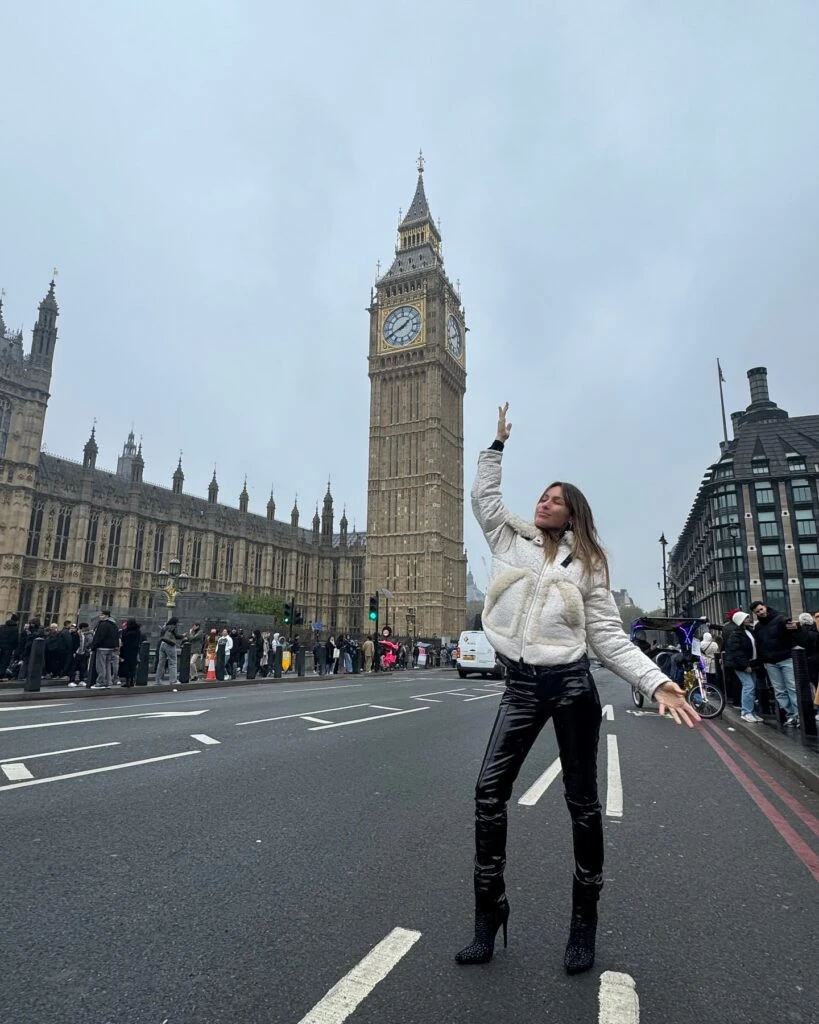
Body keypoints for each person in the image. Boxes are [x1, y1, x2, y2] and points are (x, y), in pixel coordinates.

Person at [456, 403, 698, 976]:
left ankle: (583, 923)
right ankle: (489, 912)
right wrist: (496, 447)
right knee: (488, 793)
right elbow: (484, 499)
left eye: (555, 499)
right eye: (542, 496)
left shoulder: (589, 565)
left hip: (570, 688)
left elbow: (608, 638)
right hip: (520, 687)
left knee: (582, 805)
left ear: (572, 515)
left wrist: (658, 681)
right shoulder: (509, 540)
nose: (543, 502)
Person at [751, 601, 799, 726]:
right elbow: (759, 645)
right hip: (770, 662)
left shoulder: (781, 619)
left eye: (761, 609)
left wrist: (797, 627)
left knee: (792, 687)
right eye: (757, 612)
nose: (760, 612)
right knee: (779, 691)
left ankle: (798, 715)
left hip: (785, 658)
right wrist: (762, 661)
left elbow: (794, 632)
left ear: (765, 607)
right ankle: (791, 715)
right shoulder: (758, 627)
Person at [722, 612, 763, 723]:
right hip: (742, 665)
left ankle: (752, 712)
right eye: (746, 618)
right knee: (749, 686)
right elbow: (736, 652)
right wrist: (745, 665)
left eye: (748, 617)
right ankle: (746, 712)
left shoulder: (750, 631)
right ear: (740, 620)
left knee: (752, 687)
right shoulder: (735, 634)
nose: (748, 619)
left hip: (752, 663)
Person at [91, 610, 120, 689]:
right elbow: (116, 636)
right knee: (107, 666)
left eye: (102, 615)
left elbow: (100, 636)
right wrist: (116, 645)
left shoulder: (103, 624)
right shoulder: (114, 624)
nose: (100, 616)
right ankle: (108, 682)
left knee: (101, 666)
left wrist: (94, 645)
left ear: (106, 616)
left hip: (102, 647)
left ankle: (100, 682)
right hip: (111, 648)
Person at [156, 616, 184, 685]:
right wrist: (183, 636)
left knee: (161, 663)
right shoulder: (173, 627)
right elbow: (176, 636)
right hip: (169, 645)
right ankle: (173, 680)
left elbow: (161, 635)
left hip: (162, 644)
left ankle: (158, 681)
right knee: (173, 663)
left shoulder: (165, 627)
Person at [119, 619, 142, 687]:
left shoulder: (127, 632)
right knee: (132, 666)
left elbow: (123, 640)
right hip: (134, 651)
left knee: (126, 667)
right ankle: (132, 681)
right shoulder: (137, 631)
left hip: (126, 651)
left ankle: (127, 681)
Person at [0, 613, 19, 678]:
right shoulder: (15, 628)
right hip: (9, 648)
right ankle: (1, 674)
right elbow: (15, 639)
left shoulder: (2, 627)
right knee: (5, 662)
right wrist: (15, 648)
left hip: (1, 646)